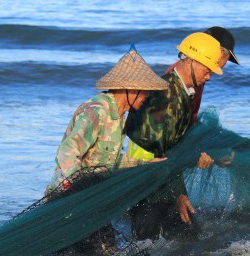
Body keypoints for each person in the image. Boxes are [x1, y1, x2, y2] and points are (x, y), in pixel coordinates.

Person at [45, 47, 168, 253]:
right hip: (68, 201)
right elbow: (67, 152)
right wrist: (79, 189)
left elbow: (109, 162)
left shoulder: (119, 117)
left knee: (107, 249)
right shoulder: (96, 111)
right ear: (129, 88)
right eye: (145, 90)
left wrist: (144, 165)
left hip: (92, 201)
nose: (147, 96)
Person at [124, 28, 239, 240]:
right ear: (191, 61)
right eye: (208, 70)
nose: (209, 76)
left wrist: (208, 154)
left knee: (184, 237)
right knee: (147, 241)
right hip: (144, 177)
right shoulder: (167, 96)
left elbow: (175, 141)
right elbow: (161, 152)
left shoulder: (184, 90)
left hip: (160, 175)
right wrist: (178, 194)